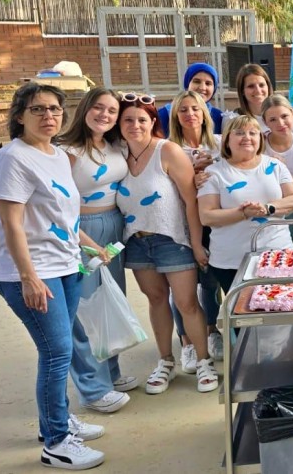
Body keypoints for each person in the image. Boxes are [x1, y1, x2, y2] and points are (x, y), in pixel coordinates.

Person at [0, 83, 107, 469]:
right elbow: (11, 224)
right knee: (56, 353)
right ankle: (56, 442)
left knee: (61, 350)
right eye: (37, 109)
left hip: (66, 267)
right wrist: (28, 277)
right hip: (32, 273)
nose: (48, 116)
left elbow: (63, 217)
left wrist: (90, 246)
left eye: (55, 109)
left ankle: (55, 422)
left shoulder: (57, 155)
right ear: (19, 115)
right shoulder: (12, 158)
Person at [115, 93, 218, 394]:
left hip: (172, 239)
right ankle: (166, 361)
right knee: (156, 300)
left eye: (141, 119)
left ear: (152, 122)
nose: (135, 125)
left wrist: (195, 243)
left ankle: (203, 361)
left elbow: (190, 201)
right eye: (128, 120)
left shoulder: (167, 150)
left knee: (186, 303)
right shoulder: (117, 155)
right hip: (136, 241)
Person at [57, 88, 136, 413]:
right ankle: (93, 388)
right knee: (84, 310)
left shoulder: (116, 146)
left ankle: (110, 372)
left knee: (110, 302)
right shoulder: (67, 151)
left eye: (112, 111)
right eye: (99, 107)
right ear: (85, 109)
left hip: (114, 228)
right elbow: (57, 208)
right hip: (80, 232)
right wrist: (87, 244)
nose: (105, 115)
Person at [198, 115, 293, 293]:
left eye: (253, 133)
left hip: (277, 254)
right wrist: (244, 213)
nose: (247, 137)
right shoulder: (213, 172)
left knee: (280, 304)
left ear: (260, 139)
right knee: (241, 309)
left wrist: (266, 209)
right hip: (231, 261)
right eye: (239, 133)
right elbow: (207, 216)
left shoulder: (275, 165)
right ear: (227, 140)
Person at [166, 90, 224, 373]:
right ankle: (186, 341)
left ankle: (212, 331)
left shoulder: (220, 144)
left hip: (211, 223)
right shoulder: (168, 148)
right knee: (181, 288)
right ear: (175, 116)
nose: (190, 115)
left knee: (210, 282)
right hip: (179, 225)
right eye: (183, 110)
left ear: (205, 113)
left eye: (195, 109)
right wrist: (191, 173)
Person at [157, 62, 224, 133]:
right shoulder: (164, 114)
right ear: (187, 84)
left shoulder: (218, 117)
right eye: (197, 82)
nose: (202, 88)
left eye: (208, 83)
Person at [222, 63, 272, 131]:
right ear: (242, 91)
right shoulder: (232, 120)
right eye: (251, 86)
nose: (258, 90)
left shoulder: (281, 117)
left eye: (261, 85)